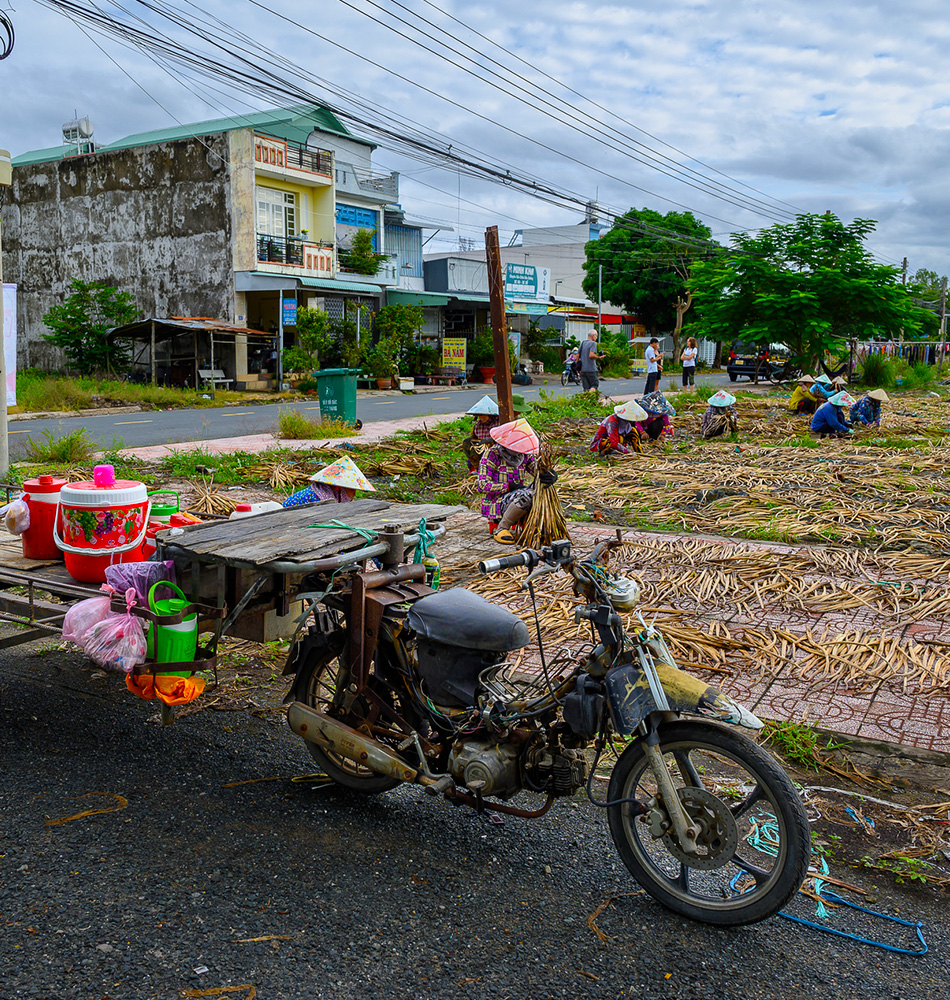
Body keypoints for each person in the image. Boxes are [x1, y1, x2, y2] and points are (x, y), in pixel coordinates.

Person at [477, 417, 553, 544]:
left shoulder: (523, 455)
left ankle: (539, 525)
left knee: (540, 489)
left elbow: (536, 470)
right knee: (527, 496)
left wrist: (548, 474)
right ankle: (501, 528)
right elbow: (482, 485)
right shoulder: (492, 454)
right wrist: (508, 486)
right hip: (497, 502)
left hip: (517, 497)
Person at [282, 456, 375, 507]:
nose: (354, 495)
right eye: (352, 490)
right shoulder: (320, 499)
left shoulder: (324, 493)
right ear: (340, 488)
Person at [462, 395, 500, 471]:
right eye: (480, 416)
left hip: (495, 449)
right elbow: (474, 438)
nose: (482, 418)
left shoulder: (498, 422)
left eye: (484, 415)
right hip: (481, 448)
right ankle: (477, 468)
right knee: (467, 442)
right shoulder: (478, 425)